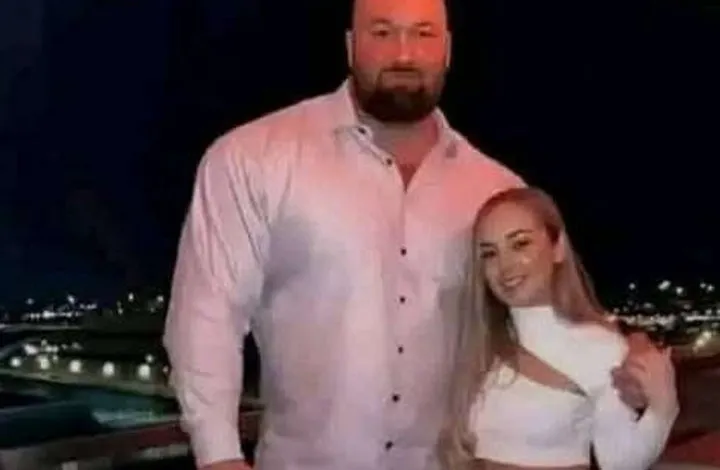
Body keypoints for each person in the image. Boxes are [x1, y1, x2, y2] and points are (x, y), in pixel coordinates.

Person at [162, 0, 665, 469]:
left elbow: (545, 318)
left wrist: (626, 357)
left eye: (423, 33)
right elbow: (207, 315)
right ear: (350, 45)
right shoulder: (253, 159)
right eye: (382, 32)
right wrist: (220, 456)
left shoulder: (496, 191)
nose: (404, 53)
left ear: (447, 50)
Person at [438, 187, 679, 470]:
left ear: (558, 247)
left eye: (520, 244)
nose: (505, 265)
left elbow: (620, 462)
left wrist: (663, 407)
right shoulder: (481, 345)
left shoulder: (600, 347)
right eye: (490, 254)